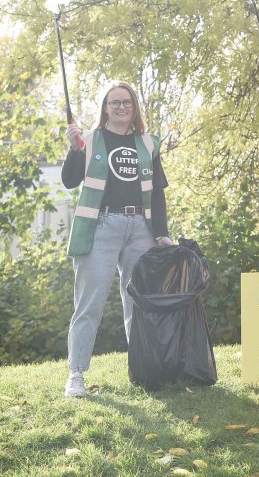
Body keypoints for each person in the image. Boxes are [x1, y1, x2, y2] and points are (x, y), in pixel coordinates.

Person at [60, 81, 172, 398]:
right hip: (101, 226)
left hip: (140, 227)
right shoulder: (90, 139)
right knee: (88, 304)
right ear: (105, 108)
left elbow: (158, 193)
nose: (121, 108)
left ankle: (143, 371)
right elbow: (69, 181)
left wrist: (161, 233)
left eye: (126, 103)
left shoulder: (148, 144)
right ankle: (76, 376)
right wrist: (73, 148)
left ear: (134, 108)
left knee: (137, 303)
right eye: (114, 103)